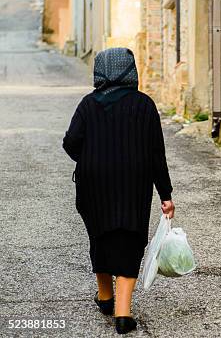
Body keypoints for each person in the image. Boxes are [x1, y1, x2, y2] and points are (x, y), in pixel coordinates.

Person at [62, 47, 175, 334]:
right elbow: (156, 155)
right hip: (133, 182)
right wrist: (166, 195)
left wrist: (93, 157)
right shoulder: (144, 105)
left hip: (93, 181)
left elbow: (70, 143)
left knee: (100, 234)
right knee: (129, 237)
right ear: (130, 71)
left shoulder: (88, 104)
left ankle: (105, 297)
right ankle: (123, 315)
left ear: (99, 72)